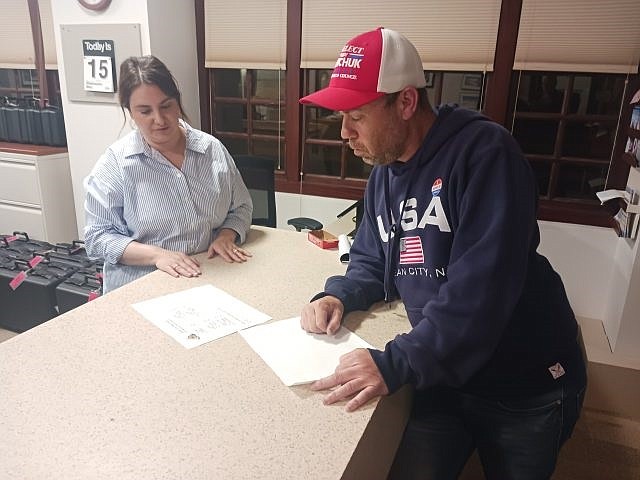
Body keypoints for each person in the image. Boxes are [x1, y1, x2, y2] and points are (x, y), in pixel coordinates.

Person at [298, 27, 586, 480]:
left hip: (524, 380)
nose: (345, 133)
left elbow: (480, 294)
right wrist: (340, 294)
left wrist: (395, 363)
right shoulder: (385, 172)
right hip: (446, 371)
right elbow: (373, 258)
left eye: (357, 115)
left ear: (407, 102)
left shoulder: (486, 154)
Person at [84, 55, 252, 294]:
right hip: (140, 287)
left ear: (177, 102)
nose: (159, 120)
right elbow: (97, 239)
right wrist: (157, 255)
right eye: (145, 111)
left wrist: (227, 235)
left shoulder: (212, 150)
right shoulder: (115, 165)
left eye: (166, 106)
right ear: (130, 112)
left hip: (207, 279)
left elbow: (241, 208)